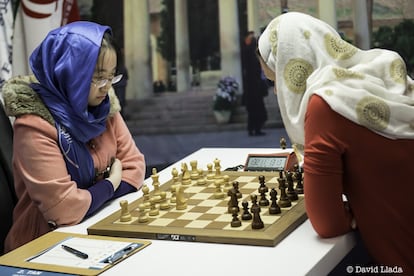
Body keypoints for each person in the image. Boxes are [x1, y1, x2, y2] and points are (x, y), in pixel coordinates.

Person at [257, 12, 414, 274]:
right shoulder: (385, 69)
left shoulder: (325, 105)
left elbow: (327, 223)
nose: (276, 91)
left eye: (274, 79)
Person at [2, 21, 146, 252]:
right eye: (97, 77)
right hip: (43, 244)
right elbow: (63, 209)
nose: (106, 87)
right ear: (68, 71)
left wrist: (89, 199)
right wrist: (111, 183)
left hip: (98, 227)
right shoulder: (34, 124)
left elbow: (136, 167)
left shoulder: (105, 109)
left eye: (111, 77)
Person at [241, 31, 268, 136]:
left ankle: (255, 129)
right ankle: (254, 129)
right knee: (254, 110)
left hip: (253, 87)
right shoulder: (249, 52)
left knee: (255, 110)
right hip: (252, 87)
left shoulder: (251, 52)